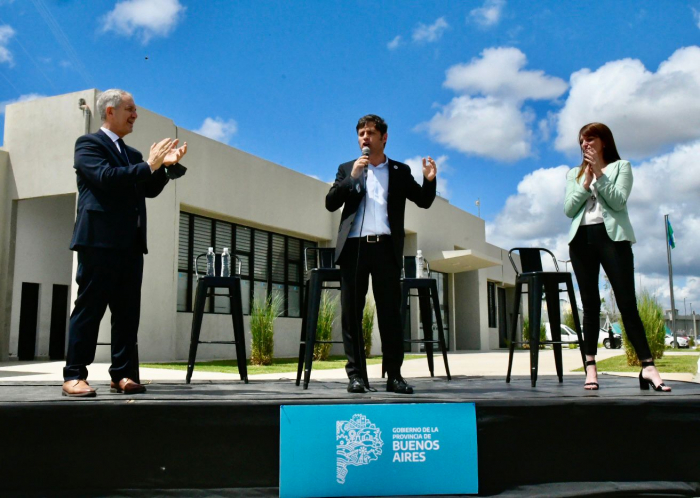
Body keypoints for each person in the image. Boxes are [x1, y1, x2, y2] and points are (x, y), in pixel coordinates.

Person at [62, 89, 187, 397]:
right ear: (109, 112)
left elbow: (147, 189)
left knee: (127, 313)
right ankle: (74, 375)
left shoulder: (132, 155)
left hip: (130, 245)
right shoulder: (88, 145)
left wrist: (166, 167)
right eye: (130, 109)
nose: (135, 115)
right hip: (98, 242)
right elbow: (106, 178)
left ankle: (123, 374)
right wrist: (150, 166)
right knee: (89, 310)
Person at [326, 114, 437, 395]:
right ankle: (357, 377)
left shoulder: (399, 171)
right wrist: (352, 179)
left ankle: (394, 376)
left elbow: (423, 201)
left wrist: (429, 181)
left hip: (386, 249)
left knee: (390, 314)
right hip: (354, 248)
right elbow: (330, 203)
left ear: (384, 138)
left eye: (371, 133)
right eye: (361, 133)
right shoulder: (347, 168)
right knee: (352, 314)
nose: (365, 137)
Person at [564, 122, 670, 392]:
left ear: (603, 141)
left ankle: (648, 366)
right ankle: (590, 367)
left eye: (590, 139)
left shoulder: (622, 167)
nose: (585, 144)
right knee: (589, 305)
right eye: (581, 141)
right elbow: (568, 209)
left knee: (626, 303)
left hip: (613, 239)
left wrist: (599, 174)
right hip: (581, 240)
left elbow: (618, 202)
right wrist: (585, 184)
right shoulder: (572, 174)